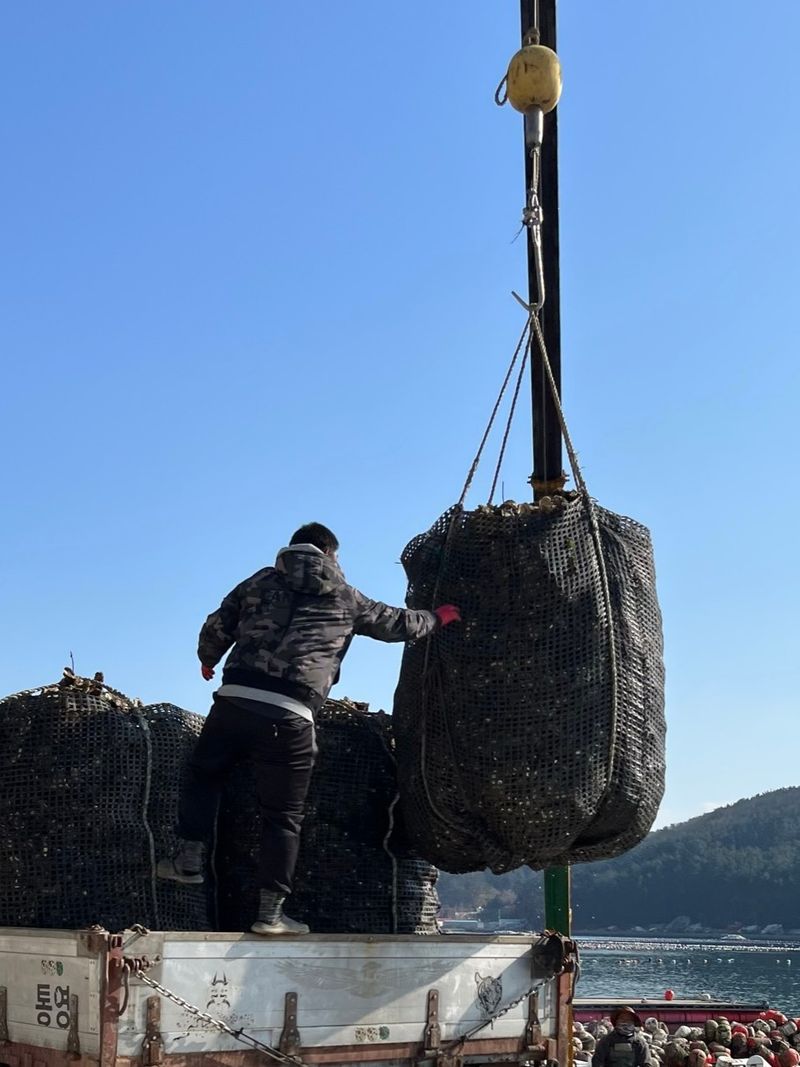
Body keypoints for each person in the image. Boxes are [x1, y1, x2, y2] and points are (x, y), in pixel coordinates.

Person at [157, 522, 461, 936]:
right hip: (290, 714)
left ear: (291, 548)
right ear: (331, 554)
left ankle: (189, 858)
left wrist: (207, 658)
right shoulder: (346, 596)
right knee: (282, 817)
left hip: (233, 702)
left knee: (205, 776)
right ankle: (269, 916)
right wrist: (437, 617)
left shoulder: (259, 581)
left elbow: (217, 626)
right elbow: (399, 625)